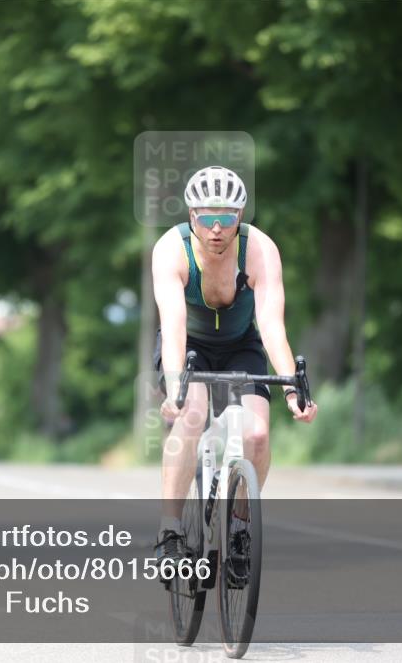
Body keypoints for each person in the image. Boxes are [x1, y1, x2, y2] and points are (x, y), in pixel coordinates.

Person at [151, 165, 318, 564]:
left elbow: (272, 326)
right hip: (188, 346)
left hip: (242, 344)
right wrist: (176, 390)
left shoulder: (260, 250)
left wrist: (292, 388)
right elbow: (173, 327)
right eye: (207, 217)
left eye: (226, 217)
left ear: (240, 215)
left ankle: (240, 528)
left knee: (258, 435)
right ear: (191, 214)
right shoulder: (171, 250)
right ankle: (171, 530)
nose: (216, 229)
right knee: (192, 415)